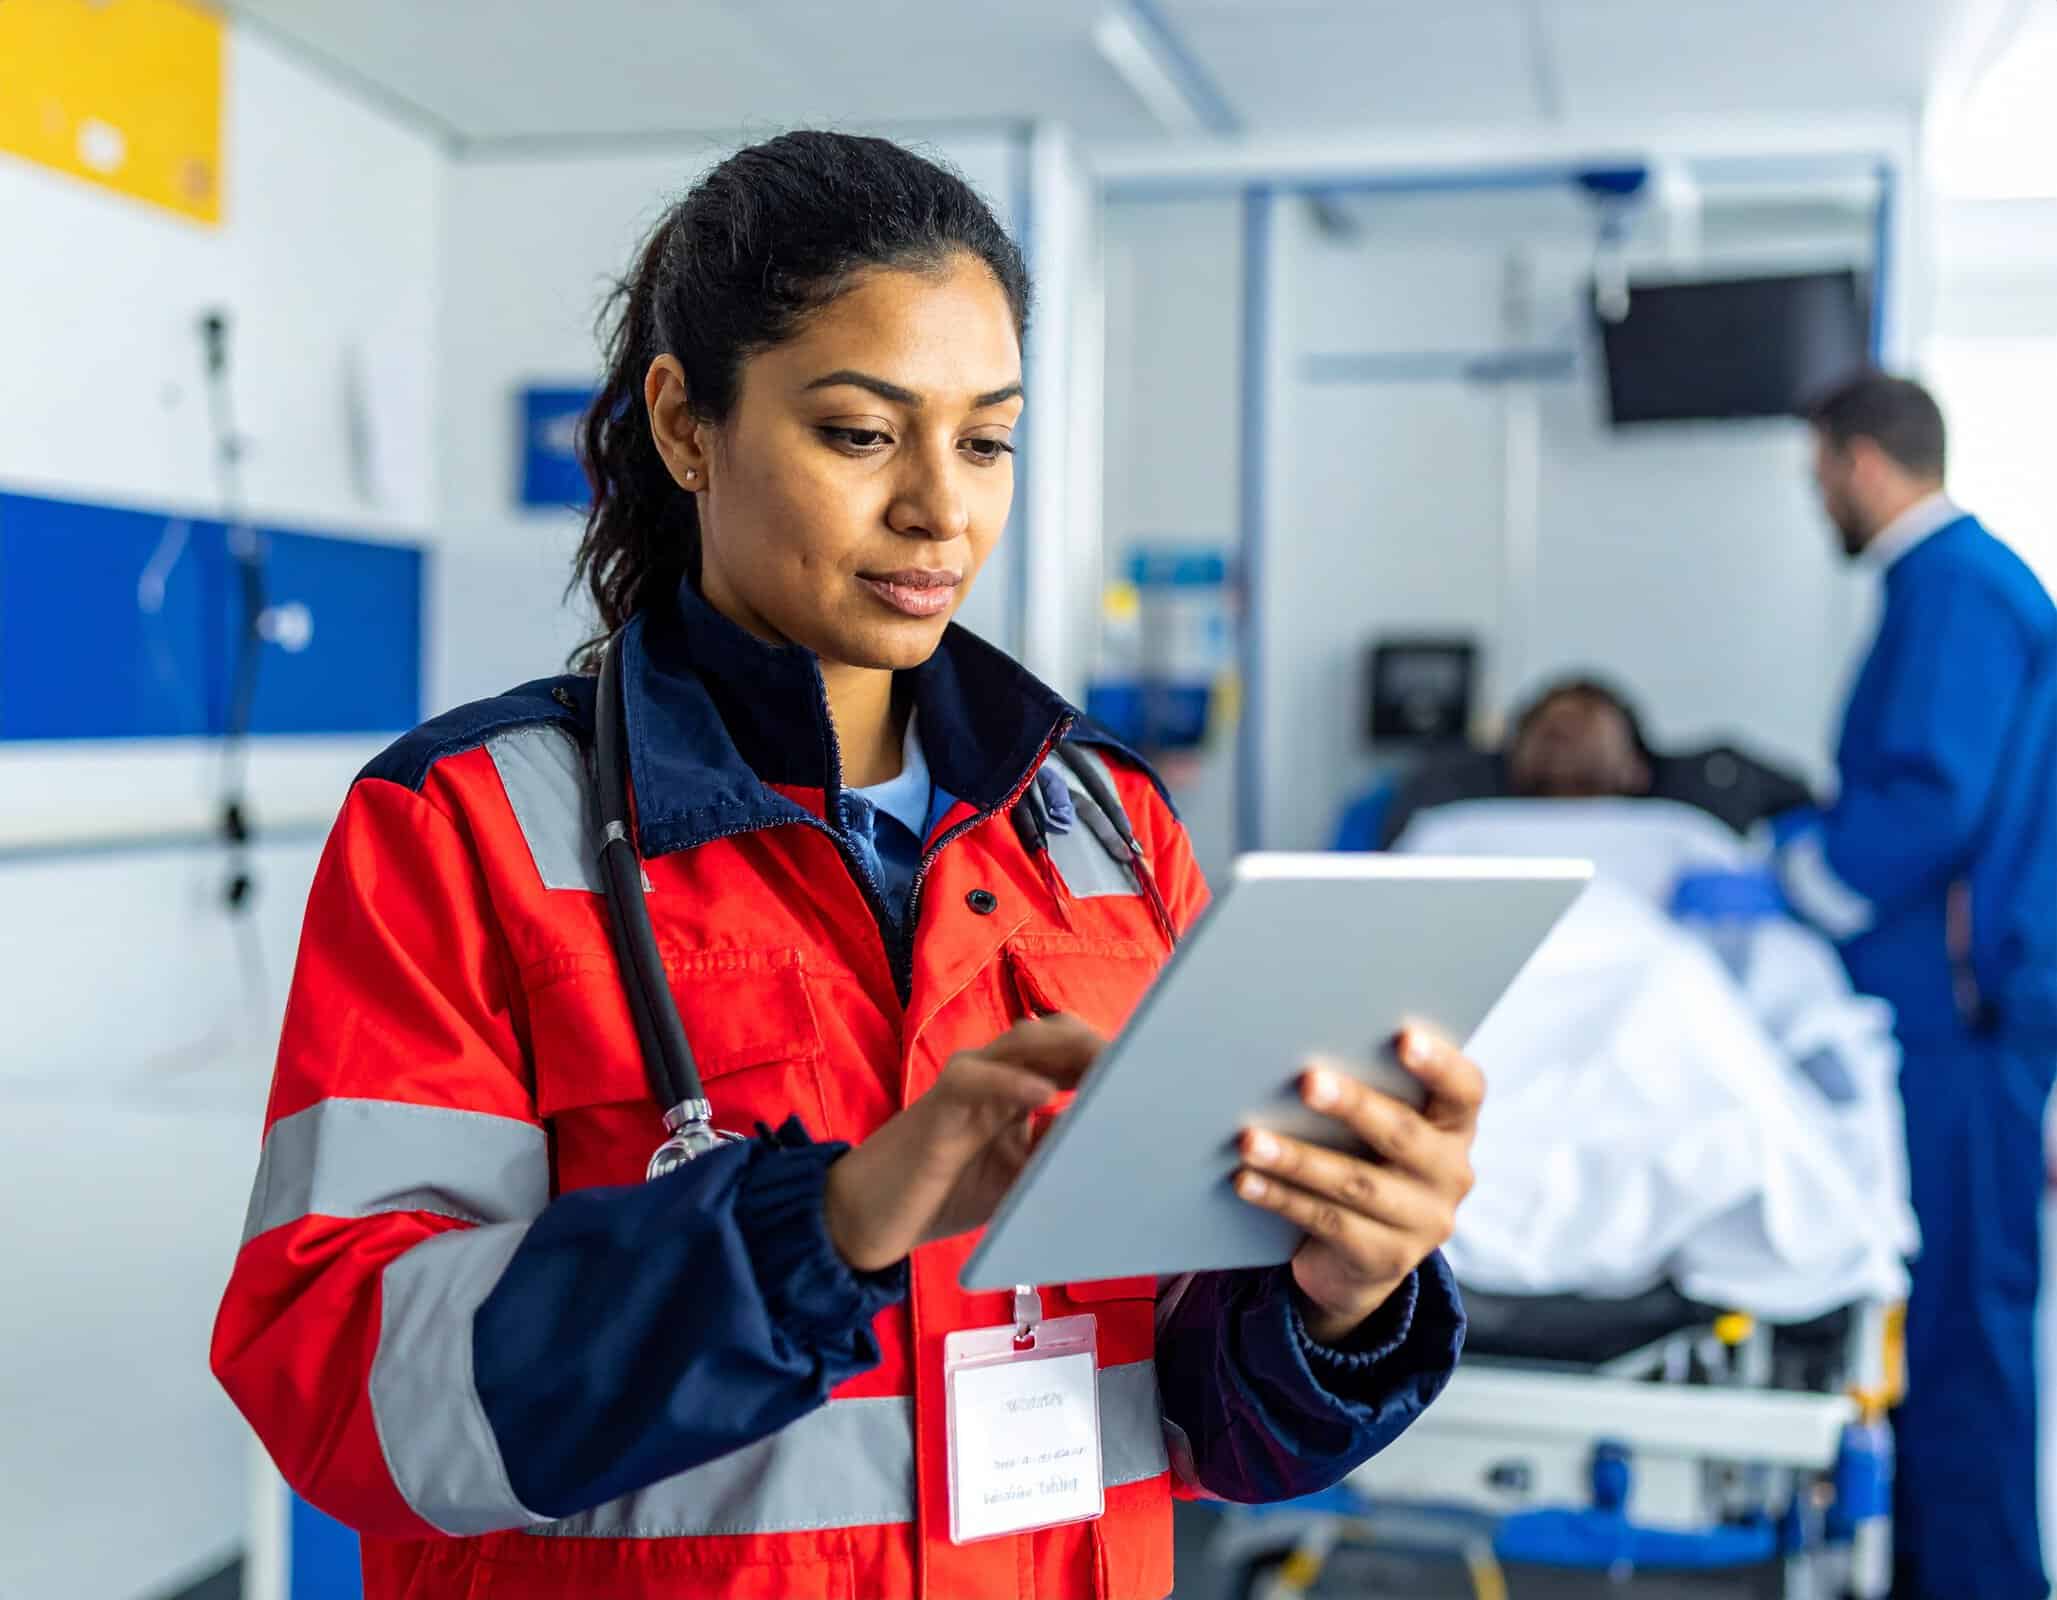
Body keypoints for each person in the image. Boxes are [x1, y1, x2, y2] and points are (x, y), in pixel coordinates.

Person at [209, 132, 1476, 1600]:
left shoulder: (1112, 831)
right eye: (864, 434)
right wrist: (820, 1231)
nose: (942, 507)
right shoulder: (471, 826)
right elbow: (338, 1379)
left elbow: (1189, 1410)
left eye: (987, 440)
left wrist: (1341, 1293)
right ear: (687, 426)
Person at [1775, 372, 2057, 1600]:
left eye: (1816, 471)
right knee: (1946, 1316)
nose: (1814, 495)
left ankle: (1982, 1581)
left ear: (1856, 461)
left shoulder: (1950, 588)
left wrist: (1800, 873)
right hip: (1951, 1016)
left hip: (1961, 1020)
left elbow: (1929, 796)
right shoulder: (1958, 586)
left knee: (1963, 1325)